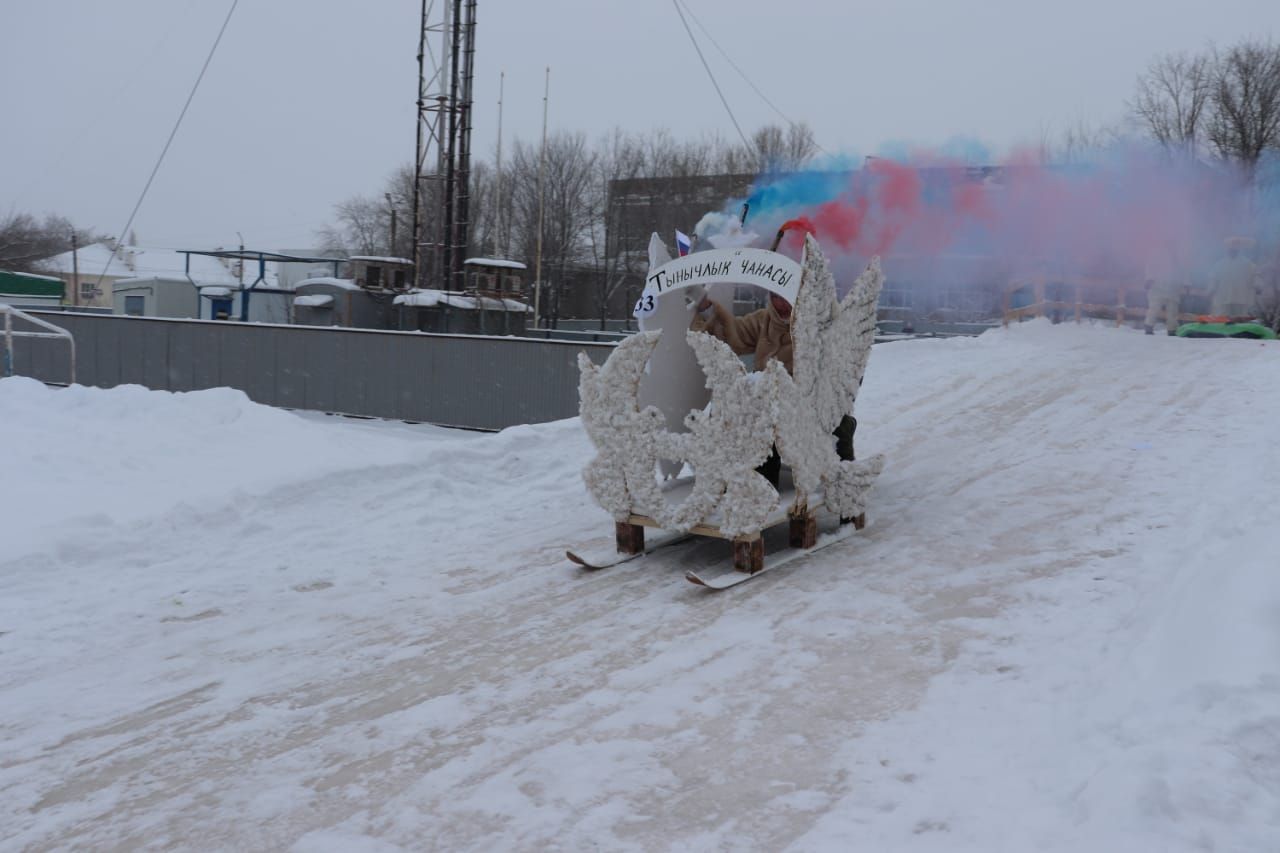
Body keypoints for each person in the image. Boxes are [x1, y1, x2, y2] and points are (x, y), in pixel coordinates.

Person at [692, 290, 858, 495]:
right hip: (764, 400)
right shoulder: (765, 319)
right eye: (775, 297)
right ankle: (748, 487)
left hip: (808, 404)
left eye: (785, 297)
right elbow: (734, 333)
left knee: (832, 429)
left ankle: (845, 491)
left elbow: (843, 370)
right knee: (735, 416)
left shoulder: (821, 325)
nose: (780, 303)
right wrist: (708, 310)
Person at [1209, 237, 1261, 321]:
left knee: (1240, 321)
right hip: (1223, 299)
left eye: (1234, 249)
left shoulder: (1249, 264)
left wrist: (1258, 287)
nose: (1232, 251)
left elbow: (1256, 279)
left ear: (1239, 250)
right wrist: (1211, 290)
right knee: (1222, 321)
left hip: (1241, 299)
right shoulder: (1219, 264)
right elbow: (1213, 279)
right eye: (1230, 249)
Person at [1143, 242, 1188, 336]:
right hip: (1158, 288)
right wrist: (1149, 279)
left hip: (1173, 289)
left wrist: (1186, 284)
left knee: (1172, 312)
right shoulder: (1157, 256)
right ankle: (1148, 327)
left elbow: (1183, 272)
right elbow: (1150, 267)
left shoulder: (1178, 259)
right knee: (1154, 309)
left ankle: (1172, 330)